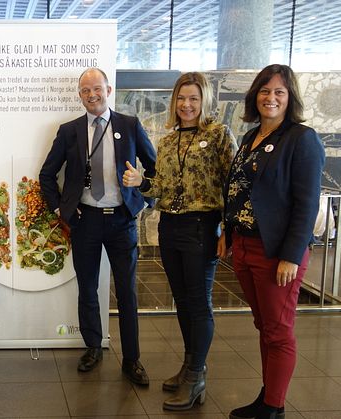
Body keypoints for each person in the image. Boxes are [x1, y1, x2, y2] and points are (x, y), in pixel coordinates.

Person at [39, 67, 156, 385]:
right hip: (85, 221)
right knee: (87, 289)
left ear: (109, 89)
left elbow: (156, 170)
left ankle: (132, 359)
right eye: (85, 91)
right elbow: (46, 175)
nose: (92, 95)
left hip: (121, 221)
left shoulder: (129, 125)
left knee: (127, 293)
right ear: (80, 96)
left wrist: (144, 195)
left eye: (97, 89)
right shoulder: (69, 131)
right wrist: (62, 210)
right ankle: (92, 347)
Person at [223, 64, 325, 419]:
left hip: (276, 252)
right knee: (264, 326)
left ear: (290, 98)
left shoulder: (301, 139)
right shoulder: (252, 136)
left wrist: (291, 256)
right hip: (245, 245)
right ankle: (268, 396)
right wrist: (227, 231)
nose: (271, 98)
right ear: (255, 96)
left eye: (279, 92)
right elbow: (237, 191)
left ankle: (274, 407)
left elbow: (307, 203)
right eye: (265, 91)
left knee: (279, 331)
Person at [133, 72, 237, 410]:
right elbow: (160, 186)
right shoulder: (167, 141)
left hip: (201, 227)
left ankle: (196, 375)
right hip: (171, 228)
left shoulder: (220, 136)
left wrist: (227, 230)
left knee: (199, 301)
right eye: (181, 98)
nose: (186, 105)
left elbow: (232, 186)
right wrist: (141, 182)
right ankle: (191, 365)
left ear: (204, 101)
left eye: (193, 98)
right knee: (181, 299)